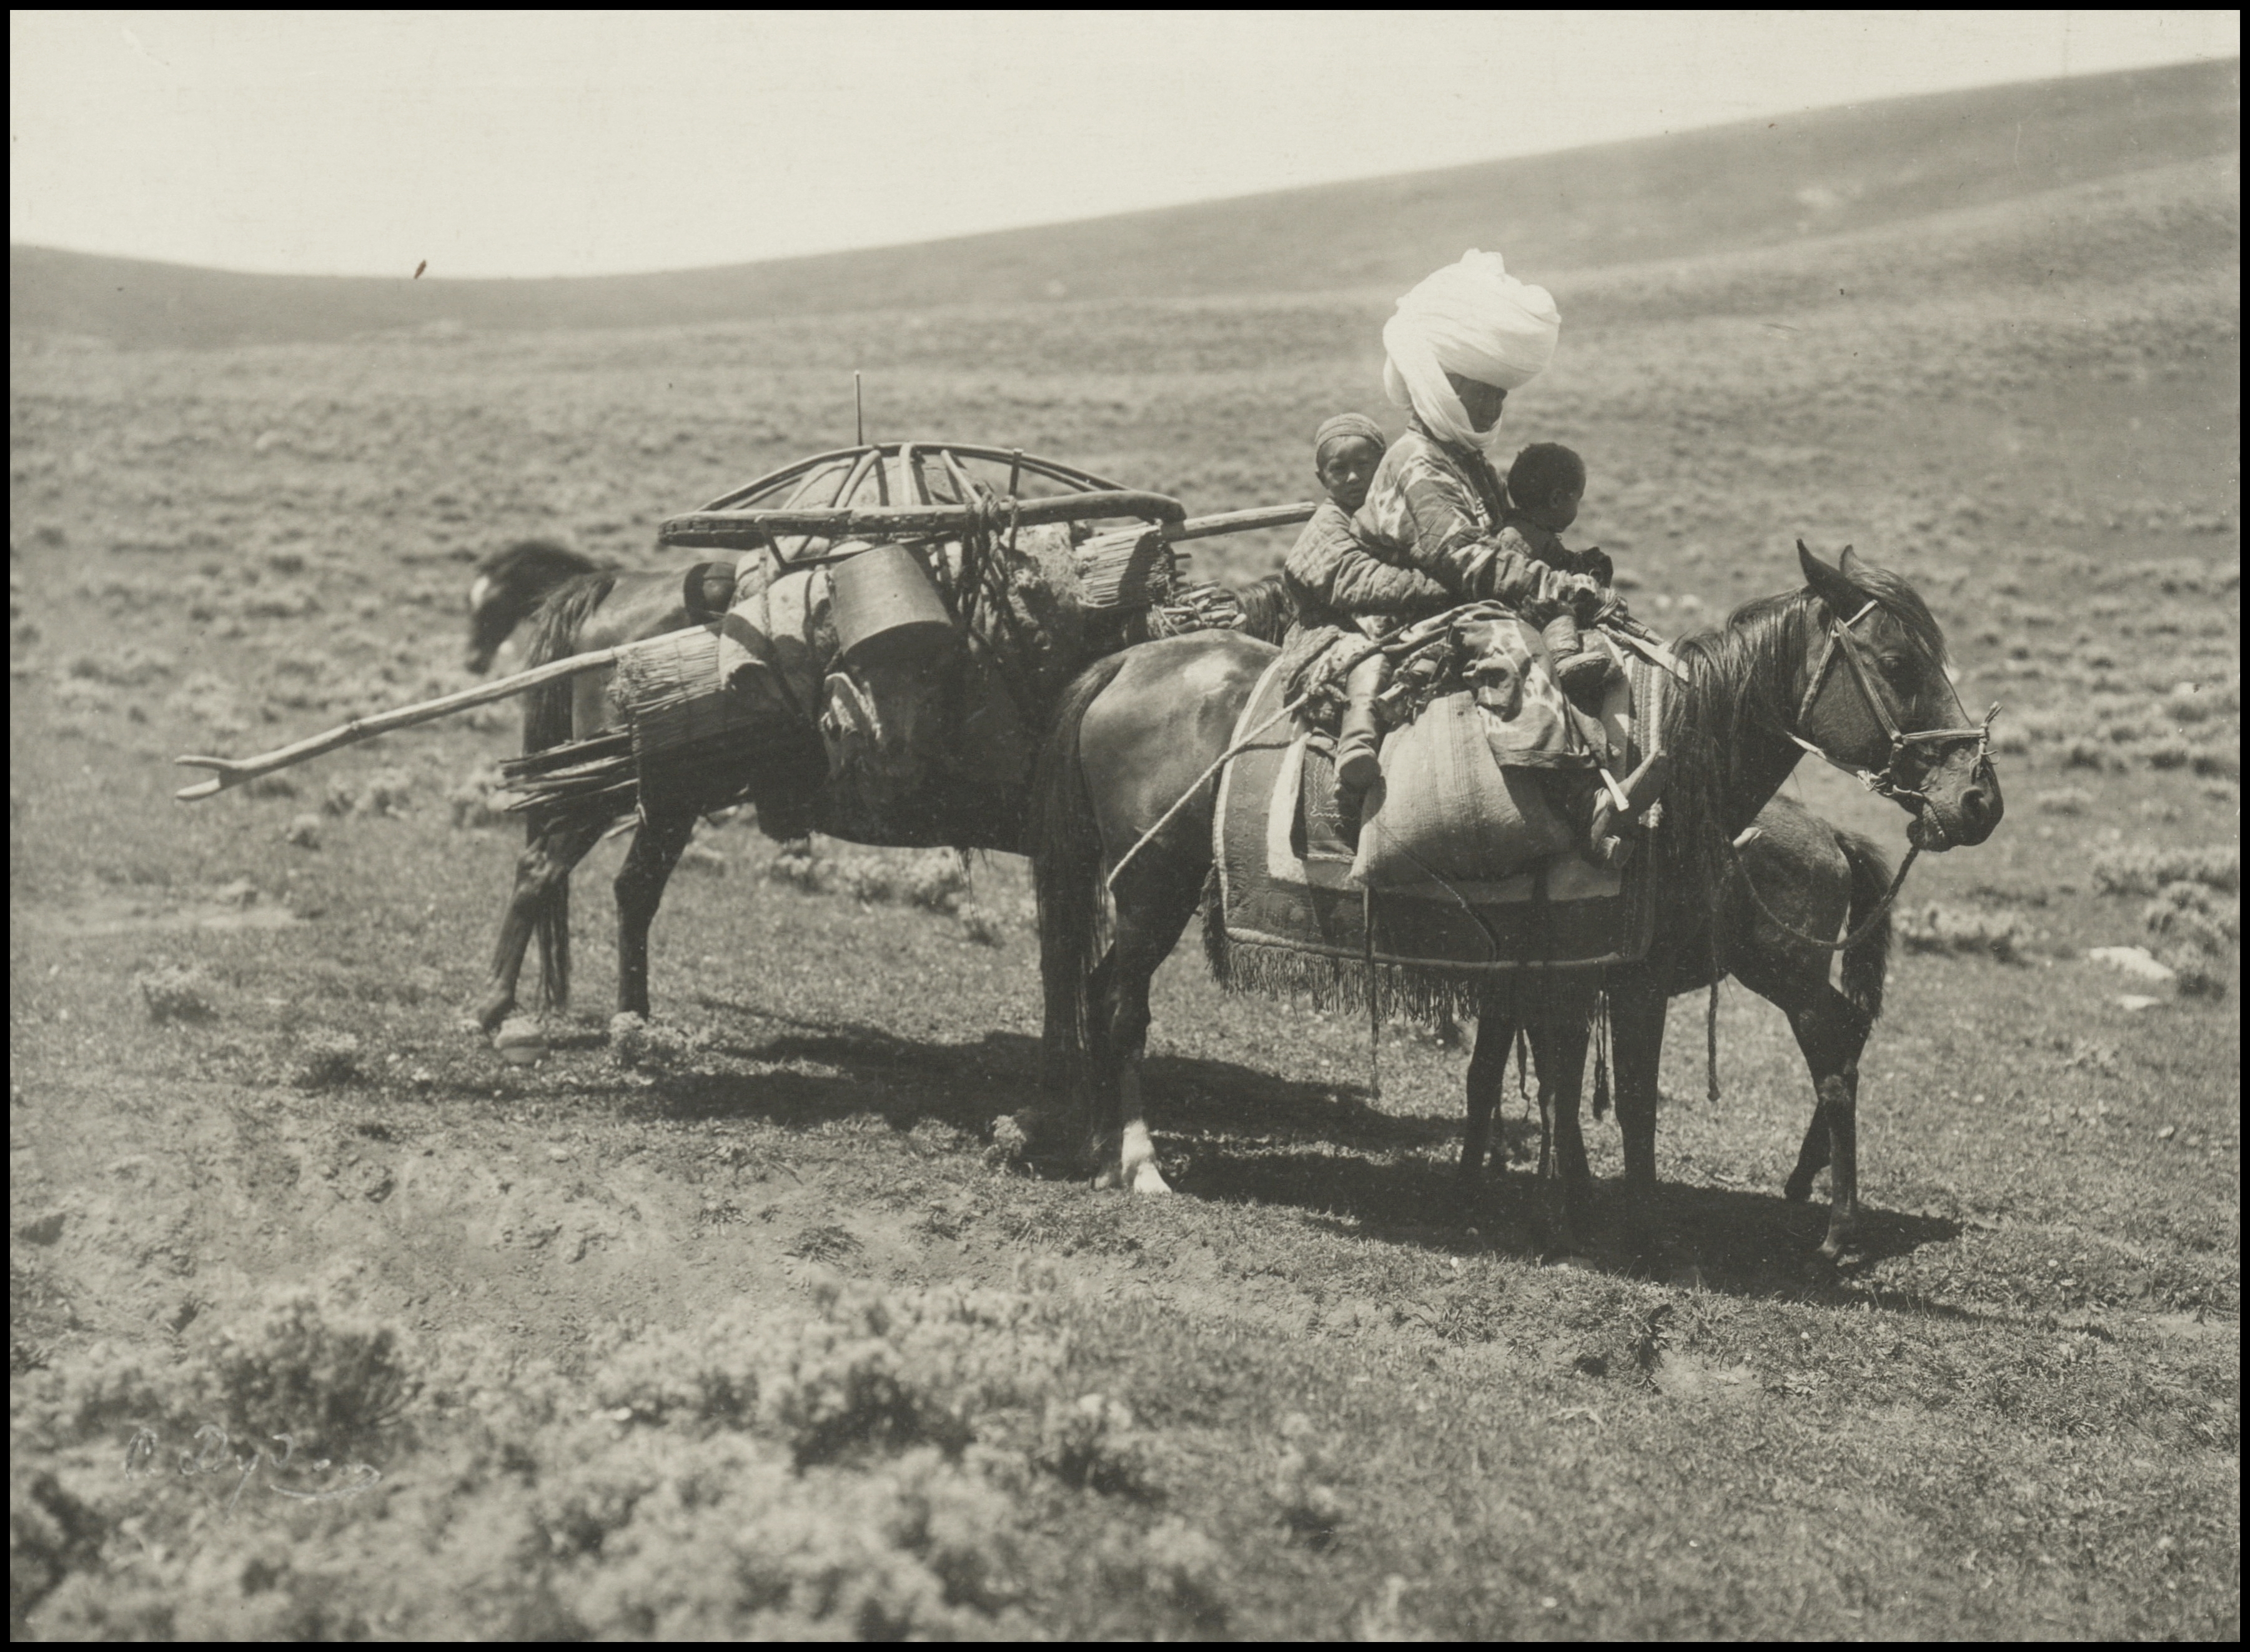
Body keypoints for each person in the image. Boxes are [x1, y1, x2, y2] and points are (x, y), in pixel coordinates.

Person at [1279, 414, 1452, 792]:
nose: (1354, 478)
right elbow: (1359, 581)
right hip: (1330, 633)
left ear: (1384, 463)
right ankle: (1356, 746)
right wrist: (1444, 585)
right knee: (1367, 657)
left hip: (1389, 621)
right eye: (1339, 470)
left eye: (1364, 466)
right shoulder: (1326, 525)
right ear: (1321, 478)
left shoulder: (1389, 512)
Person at [1498, 442, 1619, 708]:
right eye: (1578, 498)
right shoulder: (1519, 540)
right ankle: (1564, 657)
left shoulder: (1535, 534)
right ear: (1556, 500)